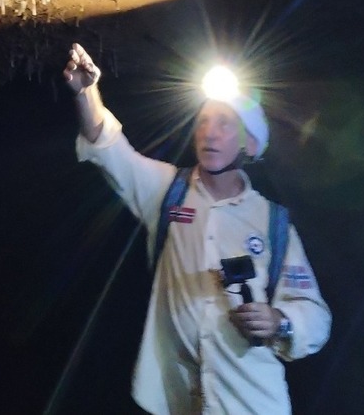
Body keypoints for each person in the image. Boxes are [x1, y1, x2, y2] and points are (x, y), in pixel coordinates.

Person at [63, 43, 331, 415]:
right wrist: (86, 92)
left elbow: (316, 315)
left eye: (224, 123)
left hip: (253, 403)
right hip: (177, 402)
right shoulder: (168, 191)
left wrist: (280, 321)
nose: (209, 133)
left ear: (250, 142)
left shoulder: (272, 222)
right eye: (203, 121)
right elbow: (109, 150)